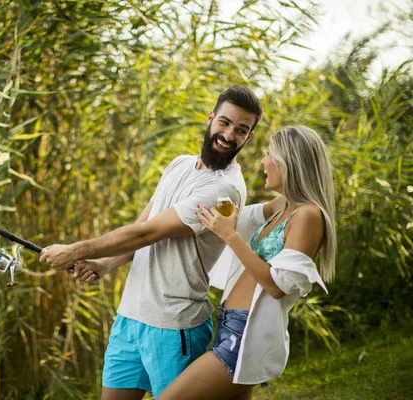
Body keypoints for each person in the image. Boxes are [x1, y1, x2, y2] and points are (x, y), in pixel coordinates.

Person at [39, 85, 263, 400]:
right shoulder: (179, 164)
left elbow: (149, 234)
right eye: (224, 123)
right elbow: (142, 225)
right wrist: (105, 263)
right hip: (130, 317)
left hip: (175, 326)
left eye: (241, 130)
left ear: (248, 137)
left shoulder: (223, 189)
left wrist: (75, 250)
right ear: (211, 117)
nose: (229, 135)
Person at [158, 125, 337, 400]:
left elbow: (278, 286)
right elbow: (234, 213)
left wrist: (230, 236)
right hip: (230, 325)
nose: (263, 162)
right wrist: (224, 176)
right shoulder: (282, 206)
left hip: (244, 336)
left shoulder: (308, 215)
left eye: (268, 155)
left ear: (289, 162)